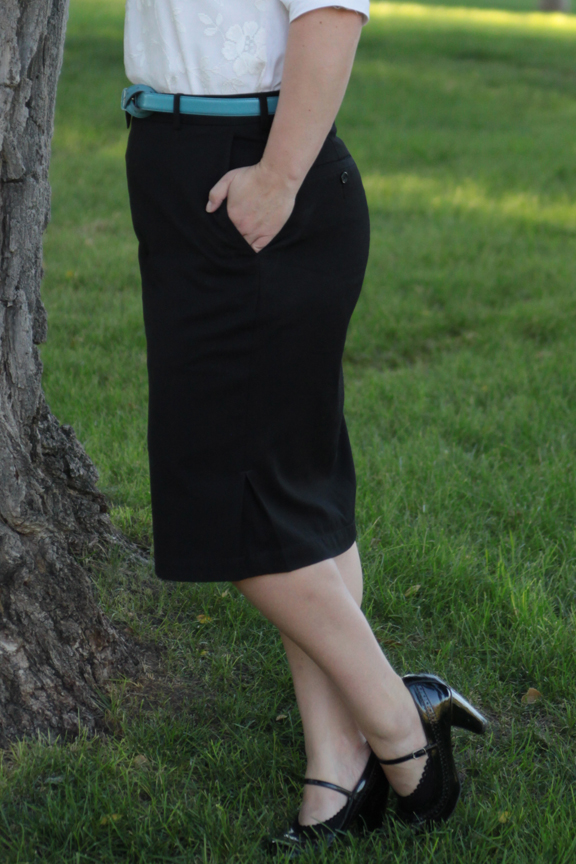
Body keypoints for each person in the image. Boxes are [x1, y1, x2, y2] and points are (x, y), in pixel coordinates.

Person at [122, 0, 487, 853]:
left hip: (258, 172)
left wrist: (277, 179)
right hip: (183, 167)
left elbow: (332, 11)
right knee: (294, 491)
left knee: (233, 507)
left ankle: (405, 726)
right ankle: (338, 772)